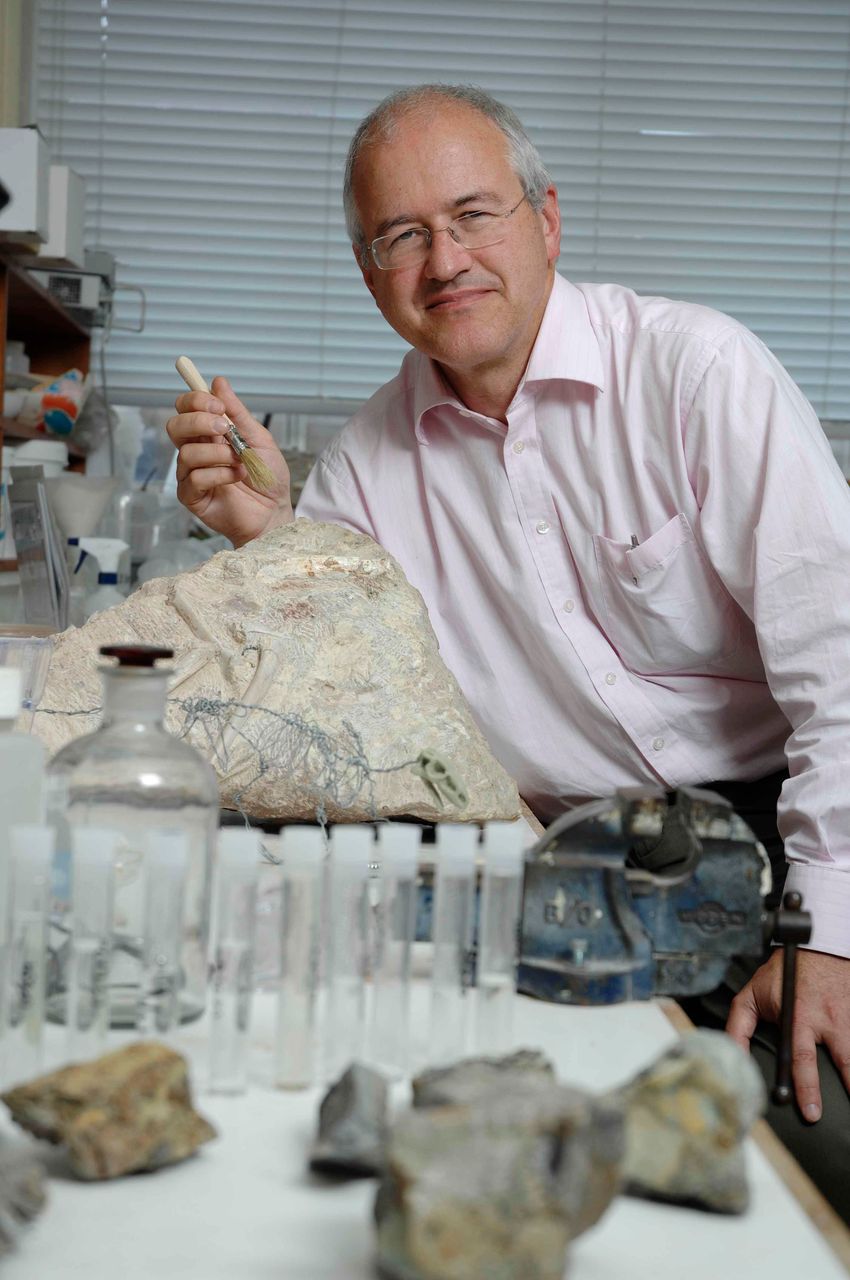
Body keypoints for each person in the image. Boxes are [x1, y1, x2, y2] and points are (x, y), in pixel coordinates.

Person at [168, 84, 850, 1217]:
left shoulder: (693, 373)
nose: (444, 260)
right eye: (401, 236)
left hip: (789, 837)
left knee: (818, 1169)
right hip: (561, 872)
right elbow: (351, 732)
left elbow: (842, 665)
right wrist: (270, 538)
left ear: (546, 220)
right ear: (367, 270)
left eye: (473, 214)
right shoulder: (363, 475)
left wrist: (828, 932)